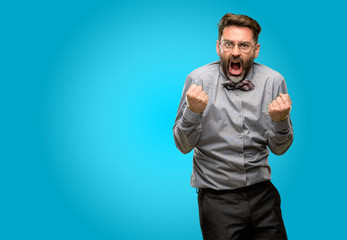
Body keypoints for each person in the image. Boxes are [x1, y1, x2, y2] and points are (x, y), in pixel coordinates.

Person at [173, 13, 293, 240]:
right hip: (217, 200)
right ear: (218, 47)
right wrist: (193, 111)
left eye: (244, 45)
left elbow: (279, 148)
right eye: (229, 44)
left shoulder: (273, 81)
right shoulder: (198, 80)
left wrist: (281, 120)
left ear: (256, 50)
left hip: (263, 196)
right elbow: (183, 145)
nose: (235, 52)